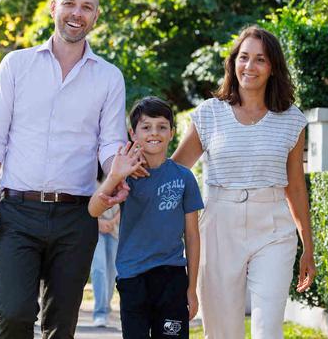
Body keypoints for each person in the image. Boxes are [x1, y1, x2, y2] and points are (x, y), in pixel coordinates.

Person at [0, 0, 134, 338]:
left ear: (95, 16)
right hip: (17, 211)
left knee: (61, 326)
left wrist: (116, 173)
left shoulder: (109, 78)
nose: (77, 13)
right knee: (14, 314)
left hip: (76, 216)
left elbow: (109, 145)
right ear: (54, 8)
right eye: (70, 3)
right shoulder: (16, 65)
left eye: (87, 7)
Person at [171, 25, 316, 339]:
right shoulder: (209, 114)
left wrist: (308, 245)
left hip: (274, 227)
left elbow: (295, 186)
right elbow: (176, 171)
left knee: (268, 330)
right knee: (222, 331)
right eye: (244, 57)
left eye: (260, 60)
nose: (250, 66)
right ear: (233, 62)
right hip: (220, 224)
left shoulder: (292, 119)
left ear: (273, 67)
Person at [89, 97, 203, 339]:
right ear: (133, 133)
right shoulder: (125, 176)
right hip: (133, 278)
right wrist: (114, 177)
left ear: (172, 133)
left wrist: (191, 289)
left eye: (162, 127)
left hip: (172, 278)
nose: (155, 133)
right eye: (146, 127)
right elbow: (93, 210)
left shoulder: (184, 178)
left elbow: (192, 235)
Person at [90, 166, 120, 328]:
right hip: (96, 229)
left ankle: (106, 308)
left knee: (112, 272)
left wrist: (112, 222)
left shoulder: (120, 173)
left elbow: (126, 201)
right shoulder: (90, 175)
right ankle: (100, 312)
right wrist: (99, 223)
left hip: (115, 229)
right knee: (99, 269)